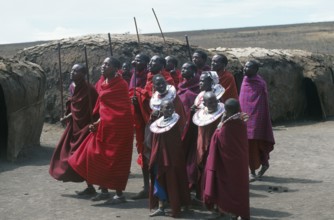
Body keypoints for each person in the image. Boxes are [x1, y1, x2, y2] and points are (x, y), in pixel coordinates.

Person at [68, 57, 134, 204]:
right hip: (104, 127)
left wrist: (102, 122)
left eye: (107, 64)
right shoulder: (103, 83)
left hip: (119, 129)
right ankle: (103, 191)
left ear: (116, 68)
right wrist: (98, 122)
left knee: (115, 160)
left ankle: (119, 194)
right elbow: (104, 109)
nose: (103, 66)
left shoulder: (121, 85)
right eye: (103, 63)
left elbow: (121, 111)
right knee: (94, 155)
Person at [131, 55, 175, 200]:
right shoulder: (149, 79)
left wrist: (141, 94)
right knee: (145, 154)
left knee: (161, 157)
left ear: (162, 65)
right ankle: (147, 187)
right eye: (150, 61)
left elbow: (161, 102)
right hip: (147, 124)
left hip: (162, 125)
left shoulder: (167, 81)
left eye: (154, 61)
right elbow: (147, 100)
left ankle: (164, 191)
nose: (150, 63)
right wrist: (137, 98)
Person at [49, 64, 98, 187]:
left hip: (86, 129)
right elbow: (76, 109)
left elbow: (96, 110)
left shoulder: (90, 90)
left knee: (85, 157)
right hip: (74, 127)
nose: (72, 72)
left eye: (76, 71)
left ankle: (95, 186)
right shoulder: (75, 88)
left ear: (83, 74)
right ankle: (89, 187)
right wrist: (67, 117)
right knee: (64, 152)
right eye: (71, 70)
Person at [203, 98, 250, 220]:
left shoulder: (227, 128)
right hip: (241, 163)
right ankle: (239, 213)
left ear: (227, 111)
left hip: (229, 166)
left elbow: (217, 139)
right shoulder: (241, 123)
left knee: (230, 188)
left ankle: (233, 213)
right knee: (240, 188)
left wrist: (221, 124)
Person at [149, 99, 190, 217]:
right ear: (161, 109)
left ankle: (177, 207)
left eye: (171, 107)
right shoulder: (156, 123)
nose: (170, 110)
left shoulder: (176, 120)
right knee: (159, 180)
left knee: (175, 182)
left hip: (173, 158)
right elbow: (154, 140)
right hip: (159, 156)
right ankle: (161, 207)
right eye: (166, 108)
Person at [239, 60, 275, 181]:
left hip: (256, 119)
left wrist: (257, 120)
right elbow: (242, 101)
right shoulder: (245, 81)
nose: (245, 69)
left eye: (248, 67)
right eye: (244, 67)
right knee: (246, 145)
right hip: (244, 118)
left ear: (255, 70)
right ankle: (252, 170)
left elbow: (262, 104)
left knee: (255, 144)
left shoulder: (260, 84)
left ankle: (256, 169)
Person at [192, 91, 225, 202]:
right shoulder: (200, 115)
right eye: (210, 102)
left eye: (215, 101)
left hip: (217, 149)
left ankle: (216, 200)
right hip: (203, 147)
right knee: (202, 172)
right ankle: (201, 196)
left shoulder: (223, 114)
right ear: (204, 104)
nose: (214, 103)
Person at [177, 62, 200, 189]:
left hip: (193, 127)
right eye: (182, 68)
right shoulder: (181, 86)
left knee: (192, 155)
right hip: (180, 124)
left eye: (186, 69)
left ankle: (193, 184)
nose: (183, 70)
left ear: (194, 71)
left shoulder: (198, 87)